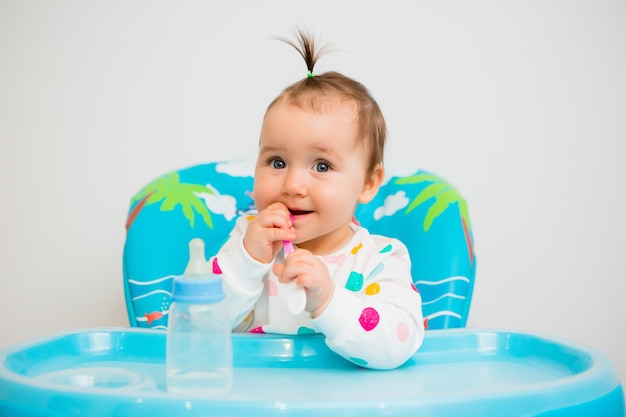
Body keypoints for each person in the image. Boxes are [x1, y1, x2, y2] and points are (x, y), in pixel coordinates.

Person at [211, 30, 424, 370]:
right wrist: (246, 261)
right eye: (277, 162)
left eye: (321, 166)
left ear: (368, 184)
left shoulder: (380, 259)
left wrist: (328, 300)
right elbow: (199, 329)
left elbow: (398, 345)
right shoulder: (246, 242)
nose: (293, 185)